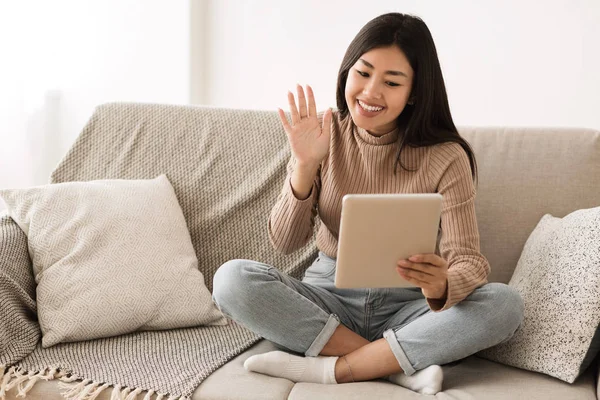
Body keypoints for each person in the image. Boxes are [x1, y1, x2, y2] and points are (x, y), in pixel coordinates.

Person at [212, 12, 524, 395]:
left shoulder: (447, 156)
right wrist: (306, 164)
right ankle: (392, 366)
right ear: (347, 72)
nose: (371, 92)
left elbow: (470, 262)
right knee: (231, 279)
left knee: (504, 304)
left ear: (414, 93)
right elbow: (284, 241)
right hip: (328, 302)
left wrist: (443, 282)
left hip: (410, 309)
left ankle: (335, 367)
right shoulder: (325, 134)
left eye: (392, 82)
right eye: (362, 73)